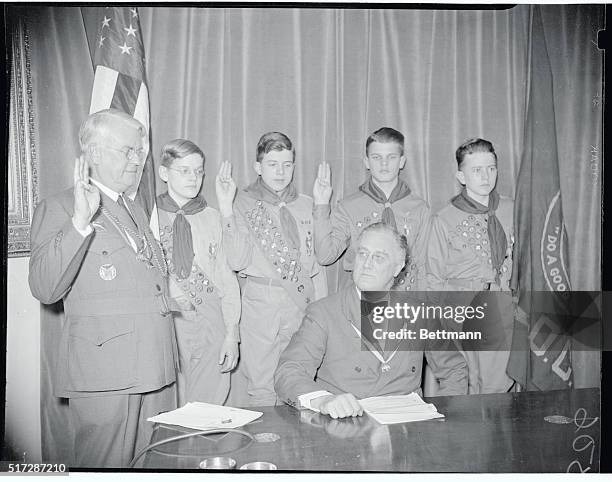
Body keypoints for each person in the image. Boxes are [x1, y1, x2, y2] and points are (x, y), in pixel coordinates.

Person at [28, 109, 177, 468]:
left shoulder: (133, 207)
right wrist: (79, 223)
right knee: (105, 466)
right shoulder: (61, 206)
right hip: (106, 371)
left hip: (154, 362)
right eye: (128, 150)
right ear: (94, 153)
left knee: (156, 463)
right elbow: (44, 287)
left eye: (140, 151)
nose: (137, 159)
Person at [274, 223, 467, 419]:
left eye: (379, 257)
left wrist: (446, 417)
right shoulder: (324, 313)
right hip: (348, 426)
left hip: (408, 429)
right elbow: (289, 371)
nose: (367, 264)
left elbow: (455, 369)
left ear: (398, 267)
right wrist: (322, 400)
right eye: (363, 254)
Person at [215, 131, 327, 406]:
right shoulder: (243, 204)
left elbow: (316, 265)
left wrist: (320, 307)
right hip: (260, 301)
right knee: (262, 385)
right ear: (258, 167)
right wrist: (227, 210)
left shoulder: (306, 204)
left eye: (287, 164)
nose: (280, 172)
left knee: (299, 378)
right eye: (272, 164)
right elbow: (238, 261)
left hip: (300, 301)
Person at [155, 139, 240, 406]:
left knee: (208, 408)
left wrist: (231, 334)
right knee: (170, 409)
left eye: (199, 171)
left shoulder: (214, 217)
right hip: (169, 322)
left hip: (210, 321)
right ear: (164, 173)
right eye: (184, 170)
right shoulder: (148, 218)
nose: (194, 178)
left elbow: (228, 280)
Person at [426, 138, 514, 394]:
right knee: (468, 383)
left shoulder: (511, 209)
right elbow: (434, 275)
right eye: (476, 170)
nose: (486, 176)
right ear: (461, 176)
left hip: (502, 304)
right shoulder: (445, 218)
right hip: (463, 308)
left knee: (498, 383)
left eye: (491, 168)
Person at [312, 127, 431, 290]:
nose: (384, 164)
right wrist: (321, 205)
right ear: (366, 162)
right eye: (376, 157)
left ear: (402, 161)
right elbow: (325, 256)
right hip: (360, 298)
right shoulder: (348, 207)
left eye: (391, 157)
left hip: (404, 298)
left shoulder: (419, 208)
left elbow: (423, 266)